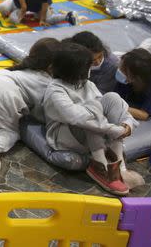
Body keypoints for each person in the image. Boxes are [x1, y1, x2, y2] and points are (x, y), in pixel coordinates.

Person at [42, 42, 136, 196]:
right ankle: (101, 167)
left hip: (94, 131)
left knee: (112, 97)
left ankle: (121, 167)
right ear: (76, 70)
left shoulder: (87, 84)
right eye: (88, 66)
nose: (91, 68)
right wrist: (114, 130)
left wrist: (127, 125)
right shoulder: (56, 90)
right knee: (90, 111)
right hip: (66, 135)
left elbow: (107, 107)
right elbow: (77, 117)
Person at [0, 38, 61, 162]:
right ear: (52, 67)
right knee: (9, 132)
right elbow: (41, 112)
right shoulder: (47, 82)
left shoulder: (20, 69)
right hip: (5, 94)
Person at [69, 27, 151, 94]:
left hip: (125, 64)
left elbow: (99, 93)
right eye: (93, 61)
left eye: (99, 57)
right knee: (142, 49)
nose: (97, 62)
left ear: (102, 51)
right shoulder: (73, 54)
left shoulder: (110, 67)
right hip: (122, 58)